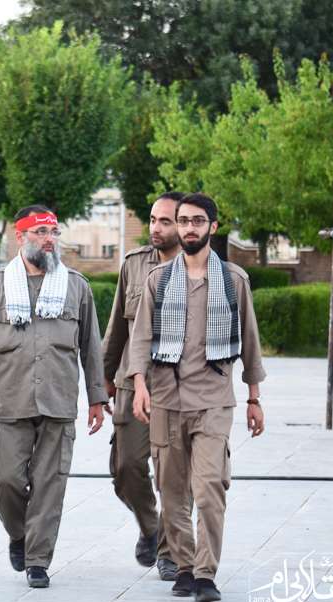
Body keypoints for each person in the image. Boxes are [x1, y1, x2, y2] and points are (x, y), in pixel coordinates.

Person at [127, 192, 266, 602]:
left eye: (197, 221)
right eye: (183, 221)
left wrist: (254, 398)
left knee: (208, 489)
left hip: (213, 400)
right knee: (170, 494)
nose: (188, 228)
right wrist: (139, 386)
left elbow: (251, 343)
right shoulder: (158, 280)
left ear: (212, 227)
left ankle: (206, 573)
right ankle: (184, 568)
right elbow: (141, 341)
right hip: (166, 401)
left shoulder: (233, 281)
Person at [0, 205, 110, 589]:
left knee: (50, 483)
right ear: (21, 237)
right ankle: (20, 535)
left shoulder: (76, 286)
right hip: (13, 401)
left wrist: (97, 397)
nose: (49, 239)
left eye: (54, 232)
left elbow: (90, 346)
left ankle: (37, 561)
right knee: (5, 479)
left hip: (59, 401)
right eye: (40, 232)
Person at [101, 191, 184, 580]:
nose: (156, 227)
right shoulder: (134, 265)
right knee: (125, 467)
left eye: (165, 221)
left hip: (179, 388)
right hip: (132, 384)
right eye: (153, 219)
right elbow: (118, 324)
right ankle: (151, 527)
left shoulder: (201, 269)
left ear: (183, 225)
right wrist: (101, 380)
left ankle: (169, 549)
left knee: (173, 472)